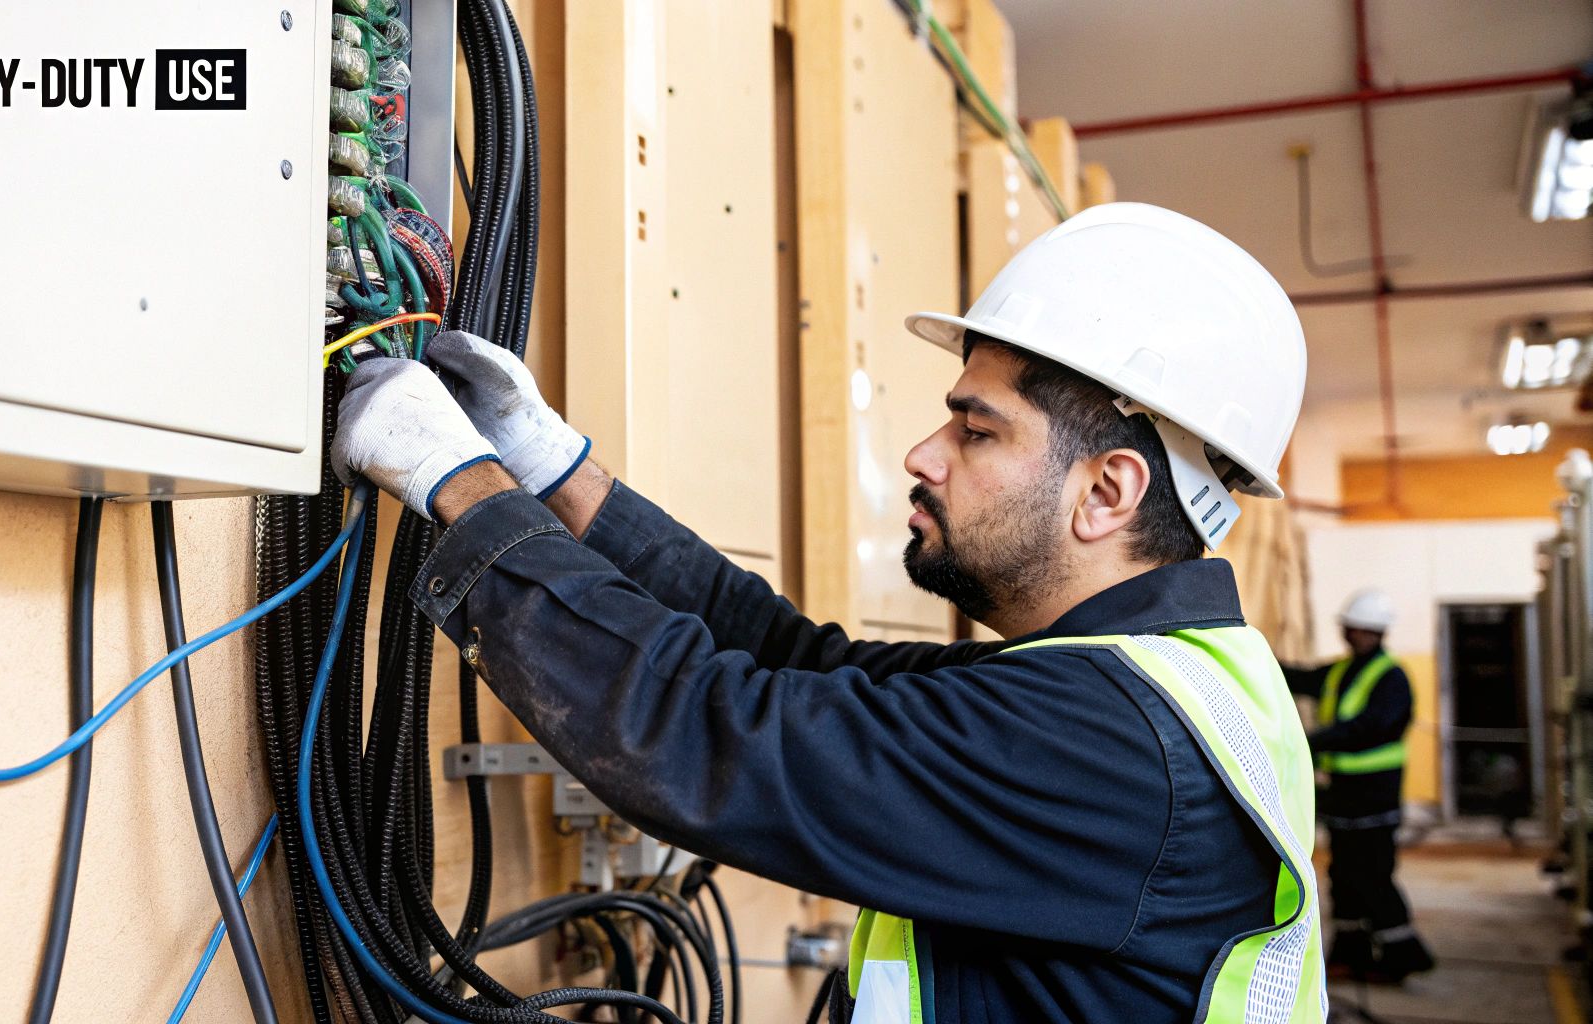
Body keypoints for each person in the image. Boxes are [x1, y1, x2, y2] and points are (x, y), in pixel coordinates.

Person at [332, 203, 1326, 1023]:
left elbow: (711, 737)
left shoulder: (1109, 739)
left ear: (1105, 493)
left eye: (975, 430)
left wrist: (458, 483)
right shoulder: (1150, 680)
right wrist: (556, 470)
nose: (923, 454)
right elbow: (795, 661)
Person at [1284, 589, 1436, 983]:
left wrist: (1315, 740)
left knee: (1372, 877)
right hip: (1344, 797)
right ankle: (1351, 955)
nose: (1348, 633)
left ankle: (1403, 954)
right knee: (1345, 877)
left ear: (1373, 631)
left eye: (1354, 627)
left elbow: (1371, 727)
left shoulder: (1391, 678)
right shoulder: (1341, 672)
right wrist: (1254, 655)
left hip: (1374, 797)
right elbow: (1300, 677)